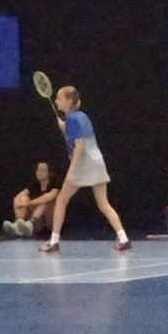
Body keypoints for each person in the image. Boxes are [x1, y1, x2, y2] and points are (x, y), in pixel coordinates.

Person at [39, 86, 129, 253]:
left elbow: (78, 147)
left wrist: (72, 170)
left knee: (61, 200)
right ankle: (124, 239)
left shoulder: (72, 120)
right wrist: (64, 129)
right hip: (97, 161)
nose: (57, 101)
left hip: (82, 164)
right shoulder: (81, 117)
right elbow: (76, 137)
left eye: (59, 98)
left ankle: (54, 242)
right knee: (103, 203)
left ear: (69, 101)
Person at [6, 160, 61, 237]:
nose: (38, 173)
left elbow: (49, 196)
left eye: (42, 171)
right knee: (23, 198)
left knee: (45, 203)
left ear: (49, 173)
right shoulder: (34, 185)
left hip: (51, 222)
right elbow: (18, 196)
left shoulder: (55, 183)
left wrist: (29, 203)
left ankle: (31, 223)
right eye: (37, 170)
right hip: (39, 223)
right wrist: (18, 202)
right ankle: (17, 224)